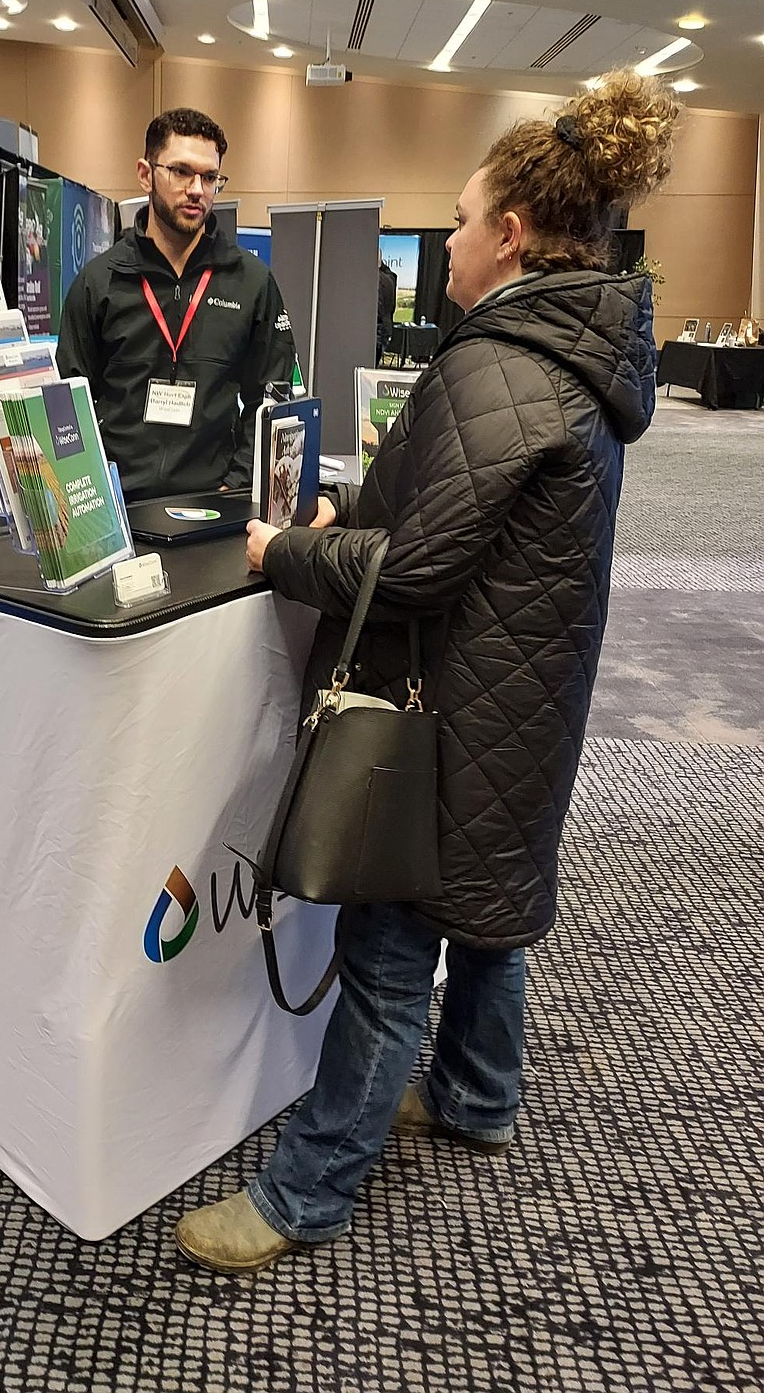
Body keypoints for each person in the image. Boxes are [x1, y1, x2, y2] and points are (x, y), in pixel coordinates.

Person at [175, 69, 679, 1273]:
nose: (443, 243)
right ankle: (478, 1096)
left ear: (508, 236)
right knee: (491, 911)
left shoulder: (497, 363)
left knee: (394, 948)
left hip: (452, 709)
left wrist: (285, 545)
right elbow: (462, 510)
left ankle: (308, 1192)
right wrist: (368, 495)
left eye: (456, 219)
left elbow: (413, 569)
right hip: (524, 700)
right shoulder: (577, 354)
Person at [56, 108, 296, 500]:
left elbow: (272, 398)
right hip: (121, 506)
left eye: (210, 176)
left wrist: (236, 483)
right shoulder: (100, 283)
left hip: (213, 506)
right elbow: (69, 402)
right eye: (181, 171)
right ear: (146, 173)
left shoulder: (251, 282)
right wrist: (92, 492)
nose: (197, 189)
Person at [376, 253, 397, 356]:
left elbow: (378, 310)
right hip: (386, 328)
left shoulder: (376, 280)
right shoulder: (390, 278)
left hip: (377, 331)